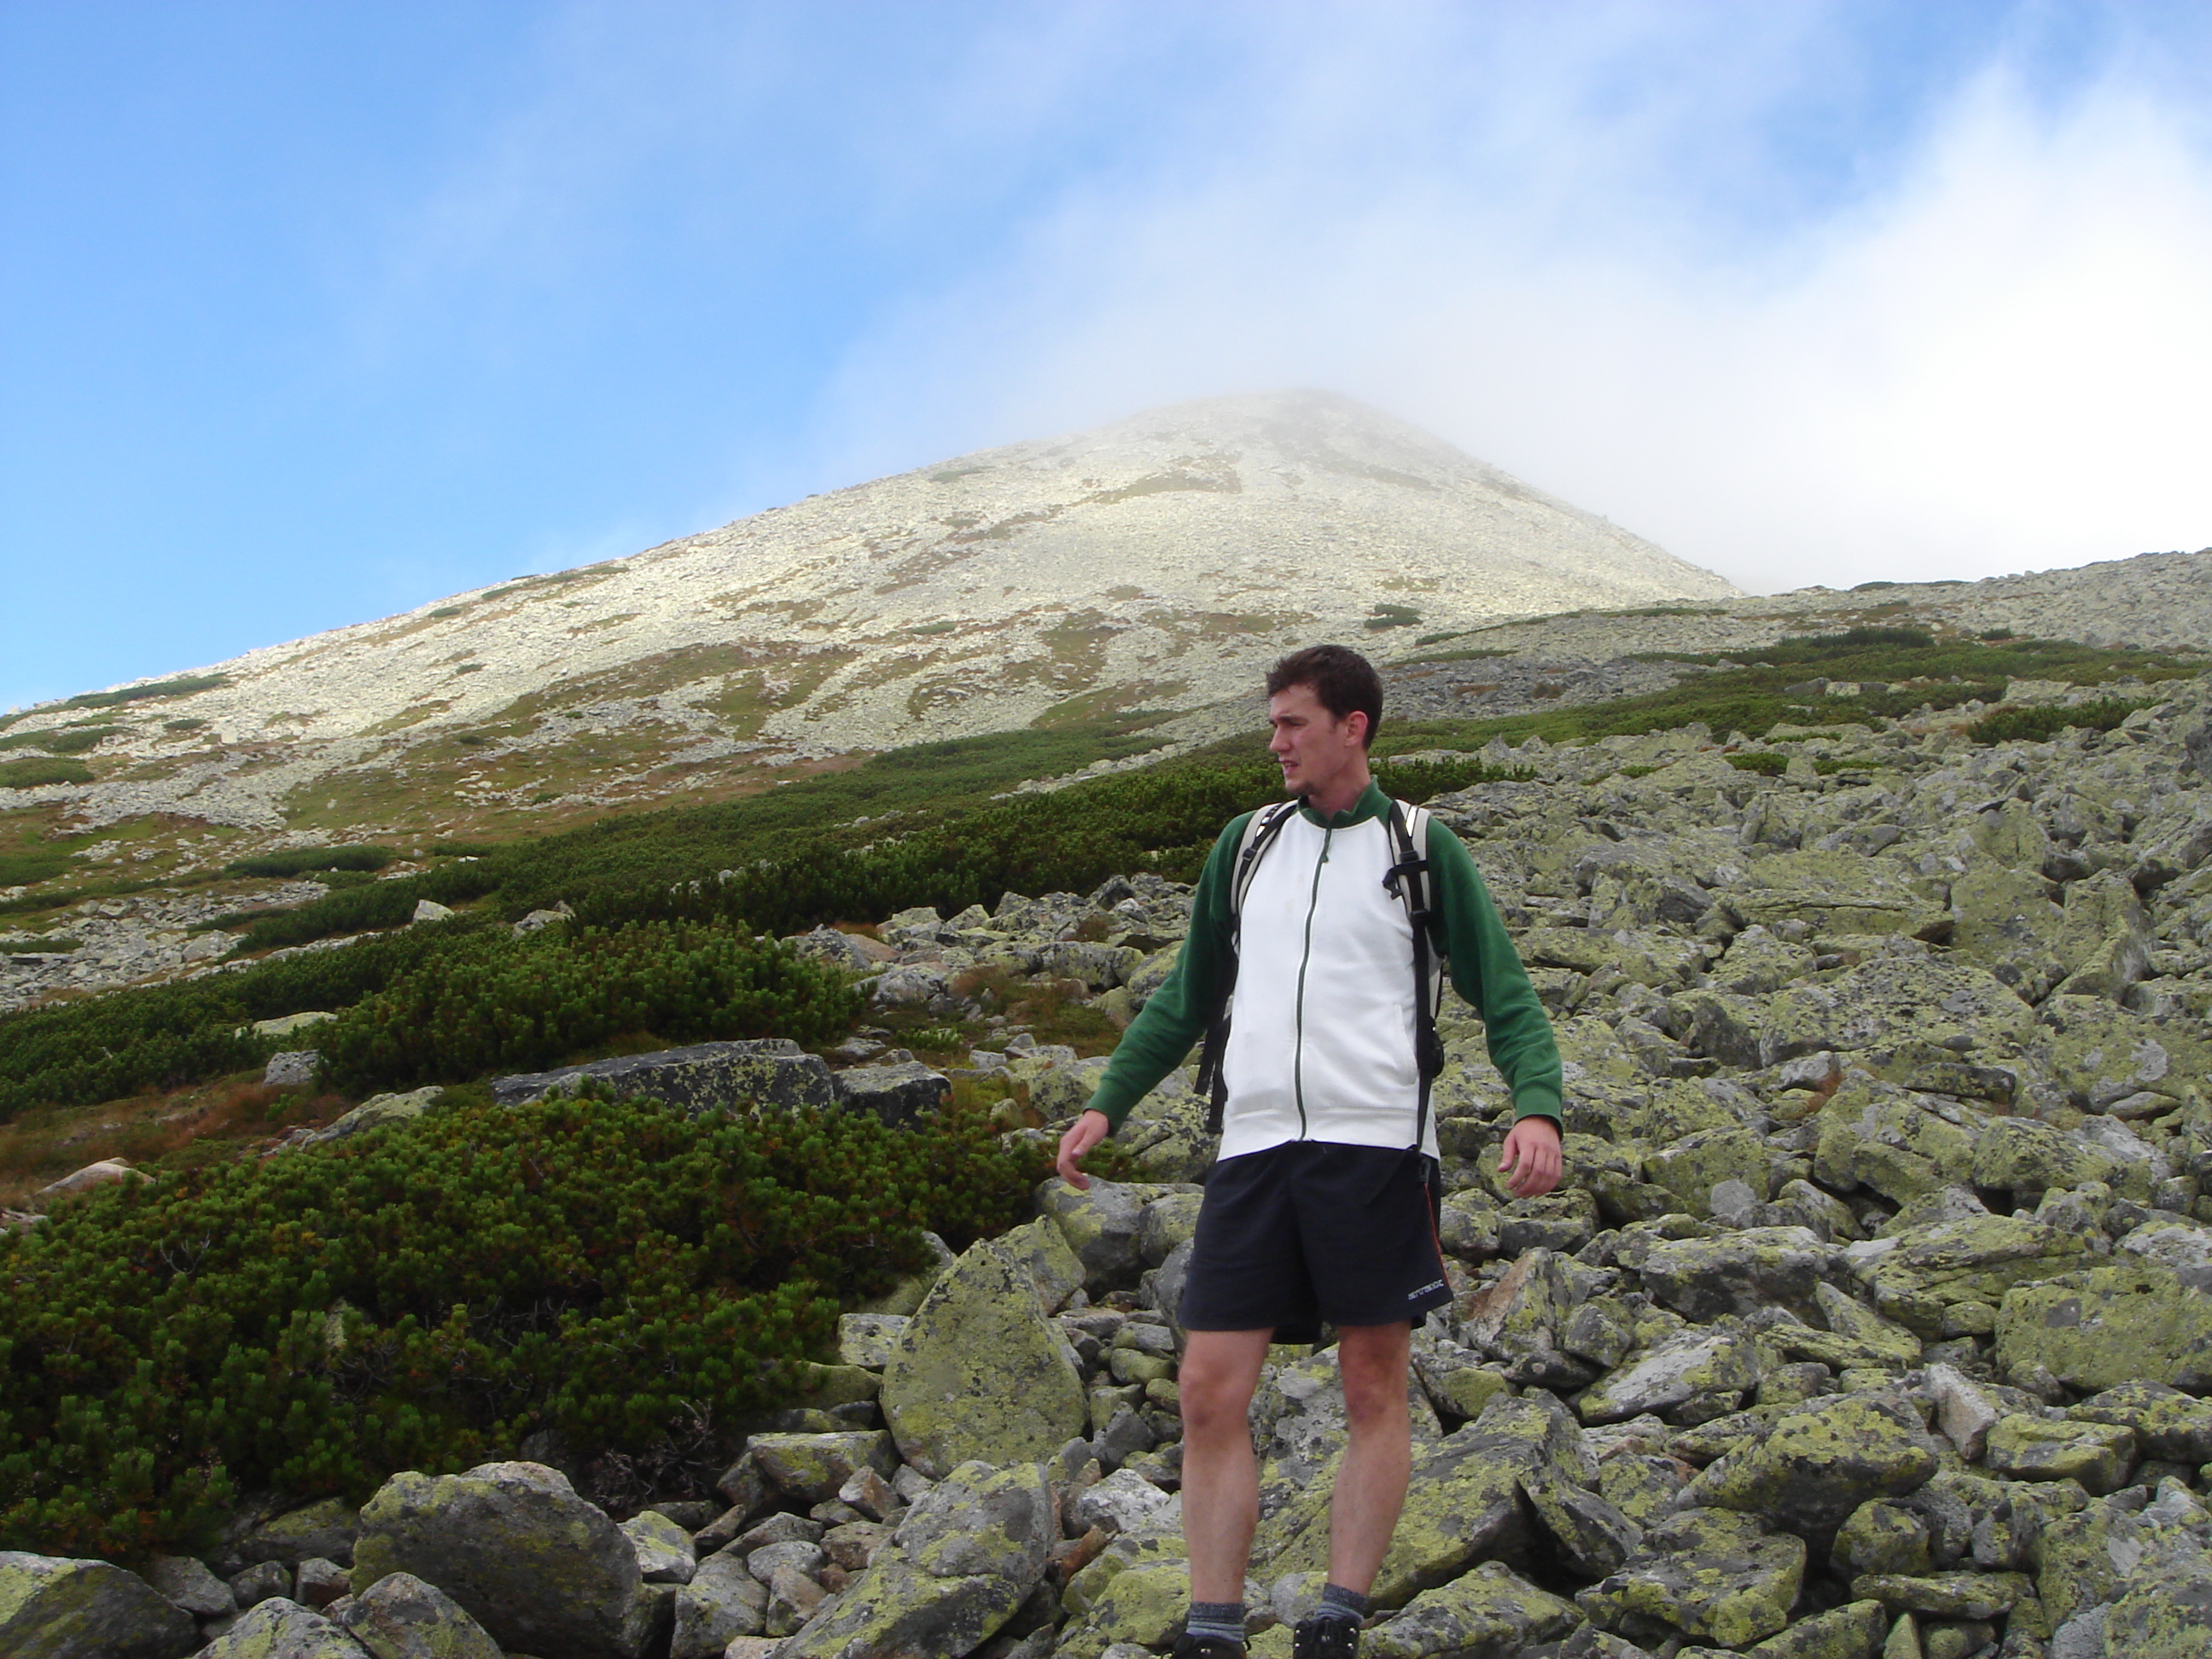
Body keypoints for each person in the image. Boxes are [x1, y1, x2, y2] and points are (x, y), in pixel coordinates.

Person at [1056, 643, 1564, 1659]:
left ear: (1352, 726)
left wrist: (1537, 1109)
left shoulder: (1421, 847)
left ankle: (1338, 1617)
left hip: (1376, 1148)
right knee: (1209, 1389)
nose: (1276, 743)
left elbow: (1503, 991)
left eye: (1293, 723)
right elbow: (1188, 993)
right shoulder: (1246, 845)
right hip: (1253, 1151)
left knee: (1372, 1386)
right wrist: (1108, 1103)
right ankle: (1214, 1627)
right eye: (1273, 724)